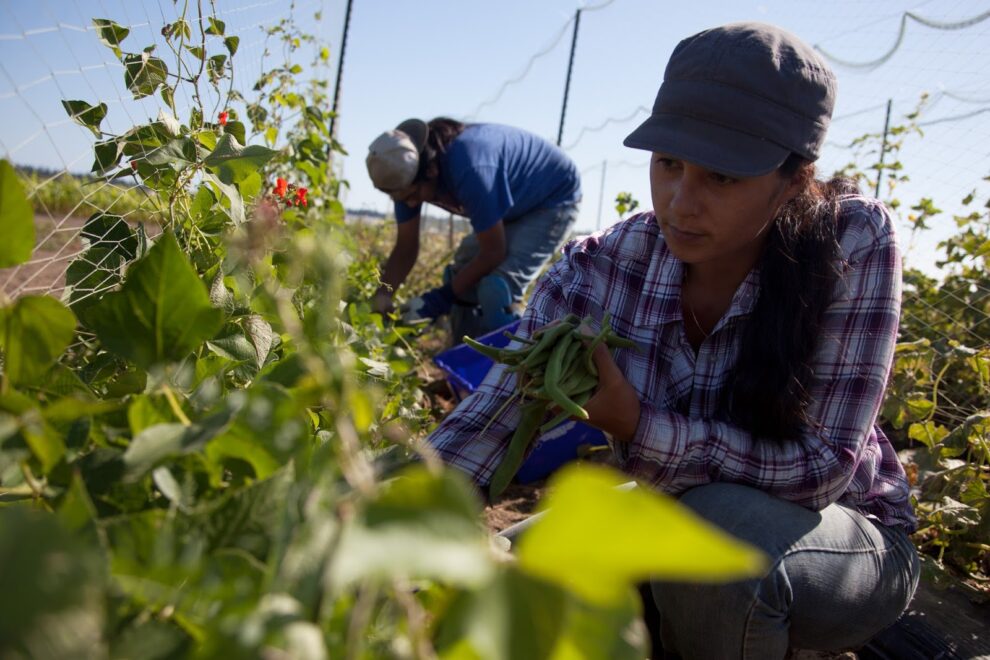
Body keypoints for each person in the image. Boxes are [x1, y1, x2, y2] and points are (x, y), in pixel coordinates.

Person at [425, 21, 919, 658]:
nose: (681, 204)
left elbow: (821, 468)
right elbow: (492, 418)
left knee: (721, 539)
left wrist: (636, 424)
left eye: (723, 178)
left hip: (845, 541)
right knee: (508, 576)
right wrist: (396, 509)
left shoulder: (852, 240)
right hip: (675, 511)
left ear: (794, 178)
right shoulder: (606, 263)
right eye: (669, 164)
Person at [366, 117, 581, 341]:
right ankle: (460, 364)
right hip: (512, 201)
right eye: (402, 199)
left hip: (552, 199)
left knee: (497, 291)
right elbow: (405, 248)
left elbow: (493, 252)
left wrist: (439, 299)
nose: (410, 204)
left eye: (414, 196)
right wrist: (382, 296)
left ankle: (508, 369)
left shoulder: (469, 167)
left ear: (429, 171)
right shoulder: (404, 176)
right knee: (459, 277)